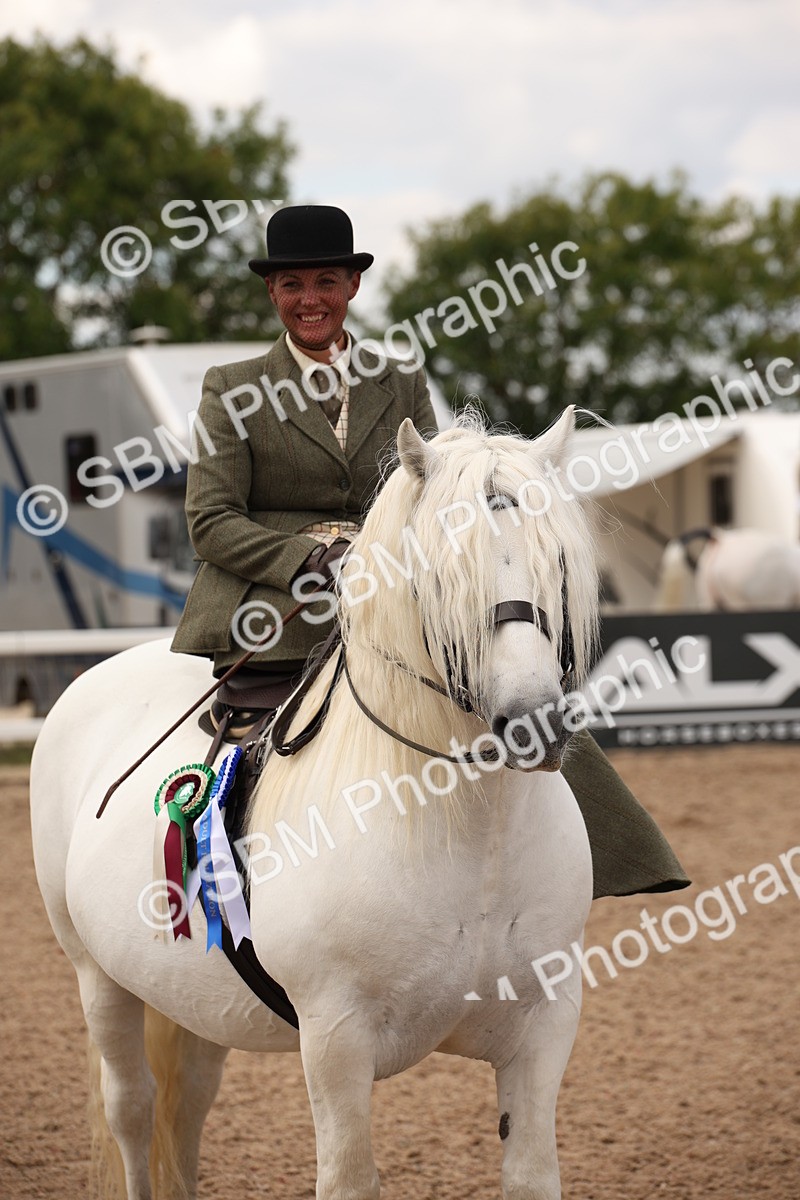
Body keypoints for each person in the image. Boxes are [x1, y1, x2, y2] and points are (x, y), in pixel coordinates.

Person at [171, 204, 689, 899]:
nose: (309, 300)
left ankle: (617, 856)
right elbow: (211, 520)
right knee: (260, 748)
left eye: (326, 282)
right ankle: (233, 882)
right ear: (272, 292)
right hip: (277, 605)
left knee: (522, 687)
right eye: (292, 285)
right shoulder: (231, 389)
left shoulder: (402, 379)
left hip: (393, 590)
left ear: (352, 286)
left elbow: (442, 492)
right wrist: (310, 560)